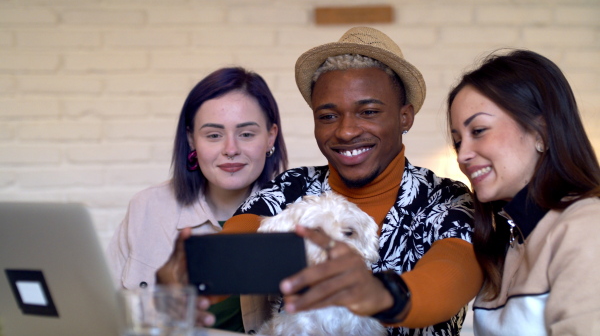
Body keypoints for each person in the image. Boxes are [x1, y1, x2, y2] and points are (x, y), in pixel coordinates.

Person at [160, 26, 484, 336]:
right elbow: (241, 245)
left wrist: (379, 294)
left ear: (404, 117)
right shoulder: (294, 186)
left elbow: (454, 273)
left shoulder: (446, 199)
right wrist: (198, 274)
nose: (345, 131)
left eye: (368, 111)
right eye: (328, 116)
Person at [108, 67, 288, 333]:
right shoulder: (146, 207)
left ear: (270, 136)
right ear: (192, 139)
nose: (230, 149)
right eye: (214, 135)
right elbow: (105, 315)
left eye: (246, 134)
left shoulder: (298, 213)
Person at [447, 49, 600, 335]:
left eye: (478, 130)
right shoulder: (507, 242)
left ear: (541, 132)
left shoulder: (587, 226)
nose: (463, 155)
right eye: (457, 142)